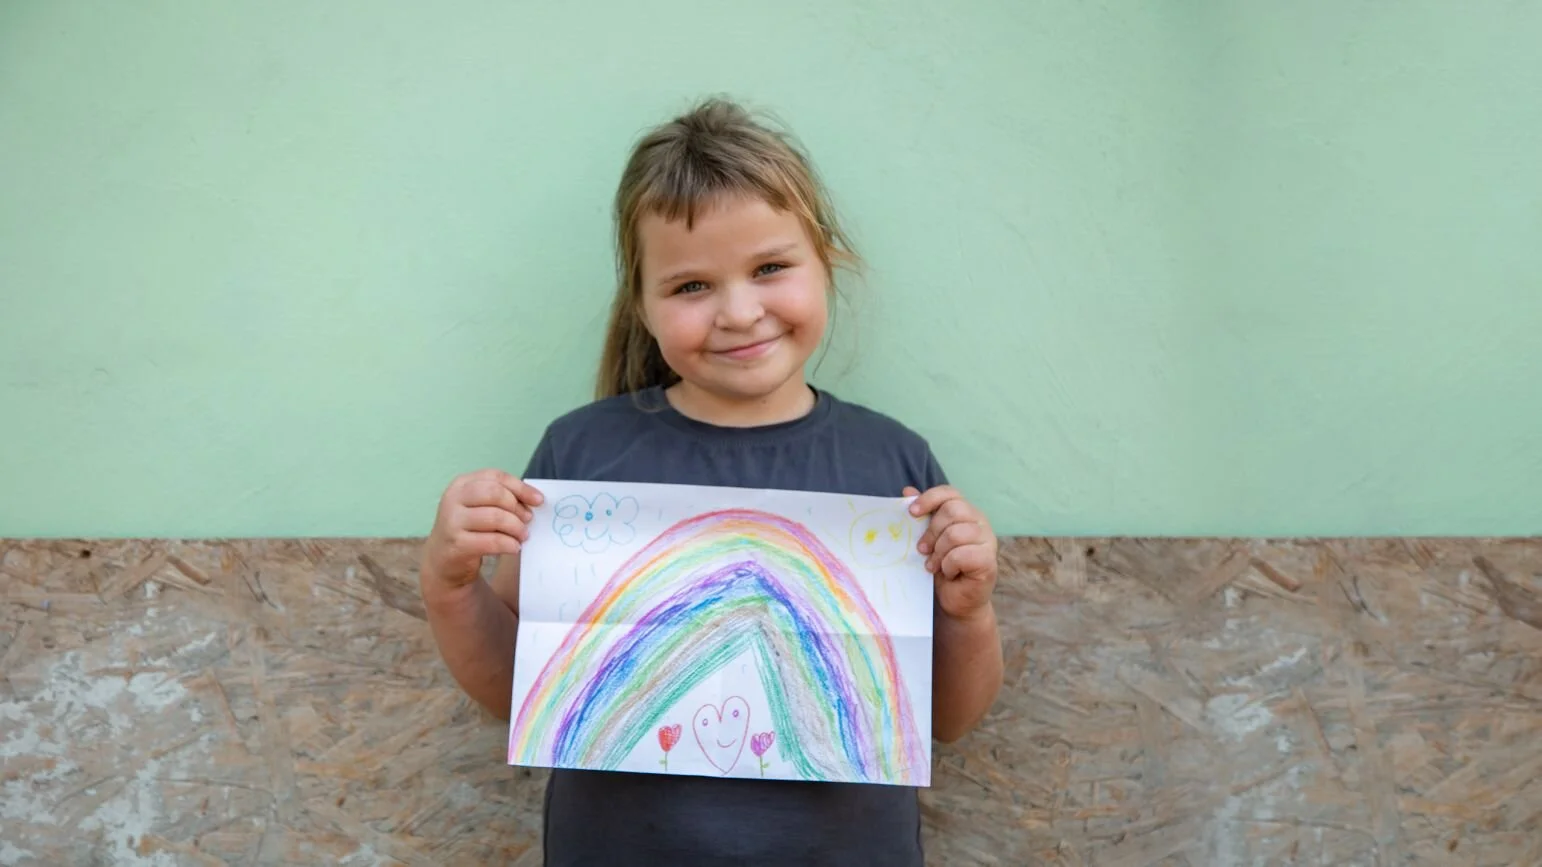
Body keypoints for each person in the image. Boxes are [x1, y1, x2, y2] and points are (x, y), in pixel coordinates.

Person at [418, 96, 1004, 866]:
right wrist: (448, 585)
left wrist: (970, 609)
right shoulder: (581, 451)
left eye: (770, 268)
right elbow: (515, 690)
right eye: (691, 286)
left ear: (825, 262)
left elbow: (949, 718)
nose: (738, 311)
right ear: (645, 305)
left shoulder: (891, 463)